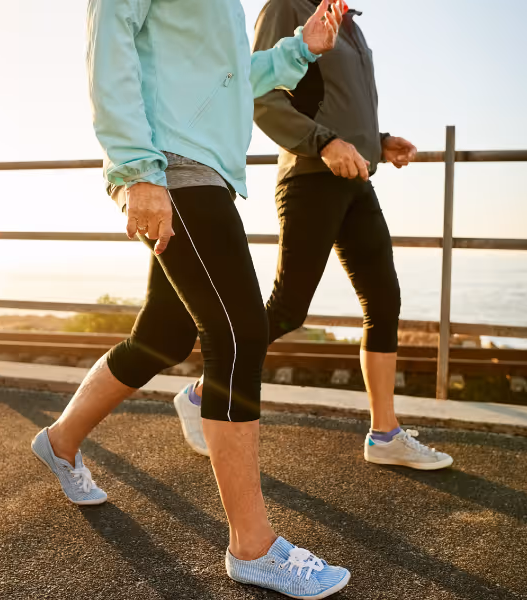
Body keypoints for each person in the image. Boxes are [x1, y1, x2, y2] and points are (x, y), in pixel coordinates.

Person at [31, 0, 353, 597]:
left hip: (204, 167)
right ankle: (252, 548)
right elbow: (109, 42)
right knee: (238, 333)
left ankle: (59, 441)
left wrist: (300, 49)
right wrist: (136, 170)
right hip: (171, 164)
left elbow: (230, 78)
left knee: (164, 335)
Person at [173, 0, 453, 471]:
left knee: (384, 302)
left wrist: (375, 141)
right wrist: (322, 142)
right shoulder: (286, 7)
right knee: (288, 307)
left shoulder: (351, 23)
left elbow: (335, 97)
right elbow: (256, 93)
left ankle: (385, 434)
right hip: (309, 176)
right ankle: (202, 394)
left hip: (356, 178)